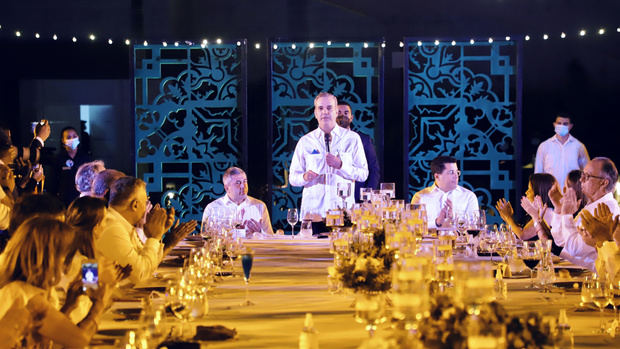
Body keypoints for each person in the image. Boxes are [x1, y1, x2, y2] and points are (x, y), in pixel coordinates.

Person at [0, 216, 113, 347]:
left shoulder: (27, 289)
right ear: (49, 256)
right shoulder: (26, 296)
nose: (65, 263)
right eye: (64, 255)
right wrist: (99, 303)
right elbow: (81, 342)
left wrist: (69, 305)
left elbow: (53, 336)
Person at [95, 177, 197, 283]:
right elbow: (141, 274)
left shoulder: (121, 224)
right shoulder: (112, 228)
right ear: (135, 205)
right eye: (146, 201)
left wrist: (160, 234)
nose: (147, 206)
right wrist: (154, 237)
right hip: (106, 296)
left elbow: (148, 264)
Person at [289, 92, 369, 220]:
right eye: (320, 108)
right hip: (313, 213)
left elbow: (363, 174)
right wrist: (305, 177)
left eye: (329, 108)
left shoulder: (352, 139)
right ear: (315, 113)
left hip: (343, 213)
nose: (325, 112)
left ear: (336, 111)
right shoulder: (305, 141)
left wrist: (341, 165)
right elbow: (293, 178)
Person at [545, 157, 620, 271]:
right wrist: (559, 209)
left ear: (604, 183)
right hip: (579, 272)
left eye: (587, 176)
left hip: (593, 279)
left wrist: (566, 215)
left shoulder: (605, 210)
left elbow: (574, 248)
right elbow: (560, 240)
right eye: (582, 175)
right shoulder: (592, 205)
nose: (581, 180)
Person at [202, 167, 273, 237]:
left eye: (245, 181)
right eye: (238, 183)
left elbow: (270, 239)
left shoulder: (259, 206)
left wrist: (259, 233)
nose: (243, 186)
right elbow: (205, 238)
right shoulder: (212, 208)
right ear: (227, 188)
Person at [411, 155, 479, 228]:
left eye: (457, 172)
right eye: (451, 172)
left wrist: (454, 219)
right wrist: (437, 222)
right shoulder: (420, 197)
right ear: (437, 176)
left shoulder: (468, 196)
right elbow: (413, 226)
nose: (456, 176)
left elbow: (474, 226)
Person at [336, 103, 380, 202]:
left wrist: (367, 197)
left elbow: (373, 169)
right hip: (333, 197)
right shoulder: (325, 139)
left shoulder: (363, 139)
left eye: (346, 112)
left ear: (351, 118)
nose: (342, 115)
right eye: (338, 112)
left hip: (357, 195)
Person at [534, 113, 589, 188]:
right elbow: (538, 174)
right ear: (554, 124)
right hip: (550, 193)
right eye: (559, 123)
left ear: (571, 126)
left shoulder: (579, 146)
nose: (562, 126)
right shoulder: (544, 146)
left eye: (565, 124)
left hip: (572, 193)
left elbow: (587, 172)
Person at [496, 173, 556, 240]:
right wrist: (509, 218)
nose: (526, 192)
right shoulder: (536, 212)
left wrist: (508, 217)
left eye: (530, 190)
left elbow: (522, 235)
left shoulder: (547, 212)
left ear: (538, 193)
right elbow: (517, 234)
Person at [51, 126, 91, 206]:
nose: (72, 139)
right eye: (69, 137)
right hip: (64, 200)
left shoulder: (85, 158)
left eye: (74, 136)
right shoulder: (58, 159)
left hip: (82, 200)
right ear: (63, 140)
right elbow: (53, 182)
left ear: (78, 138)